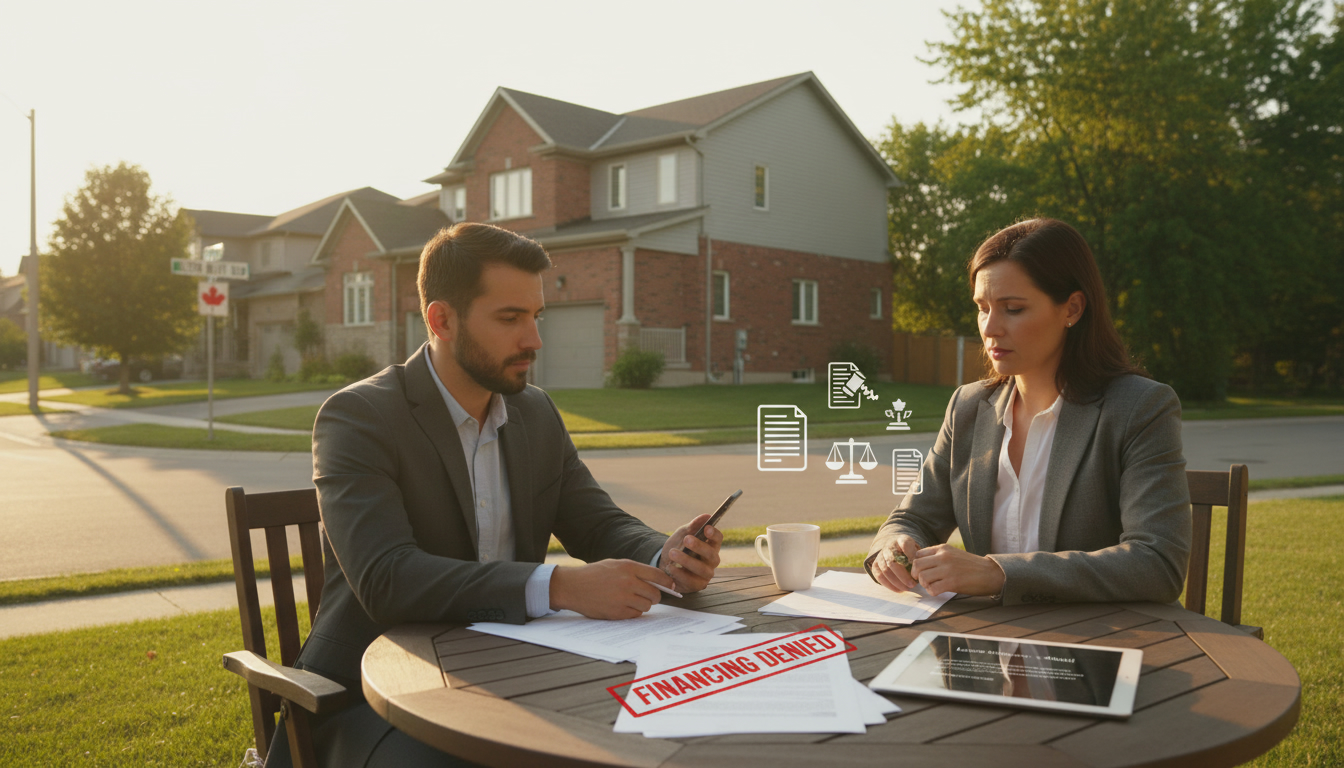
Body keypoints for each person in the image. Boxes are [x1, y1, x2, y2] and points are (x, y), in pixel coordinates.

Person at [268, 222, 724, 767]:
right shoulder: (359, 418)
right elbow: (387, 579)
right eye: (510, 318)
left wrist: (663, 554)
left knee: (654, 733)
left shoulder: (536, 413)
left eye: (536, 317)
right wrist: (561, 586)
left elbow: (596, 521)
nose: (533, 340)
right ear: (441, 320)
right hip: (372, 696)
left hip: (510, 674)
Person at [866, 218, 1191, 605]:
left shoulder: (1139, 408)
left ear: (1072, 308)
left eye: (1013, 309)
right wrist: (894, 548)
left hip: (1102, 643)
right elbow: (911, 519)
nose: (990, 328)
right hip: (992, 647)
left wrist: (998, 573)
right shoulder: (967, 408)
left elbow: (1157, 563)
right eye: (982, 308)